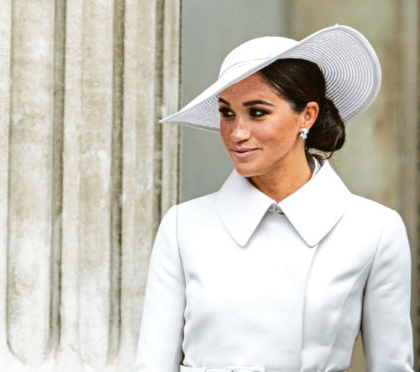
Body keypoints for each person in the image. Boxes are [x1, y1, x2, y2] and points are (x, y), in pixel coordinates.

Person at [133, 25, 414, 372]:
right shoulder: (182, 227)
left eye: (257, 112)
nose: (237, 132)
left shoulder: (374, 231)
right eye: (226, 112)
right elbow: (152, 365)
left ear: (306, 116)